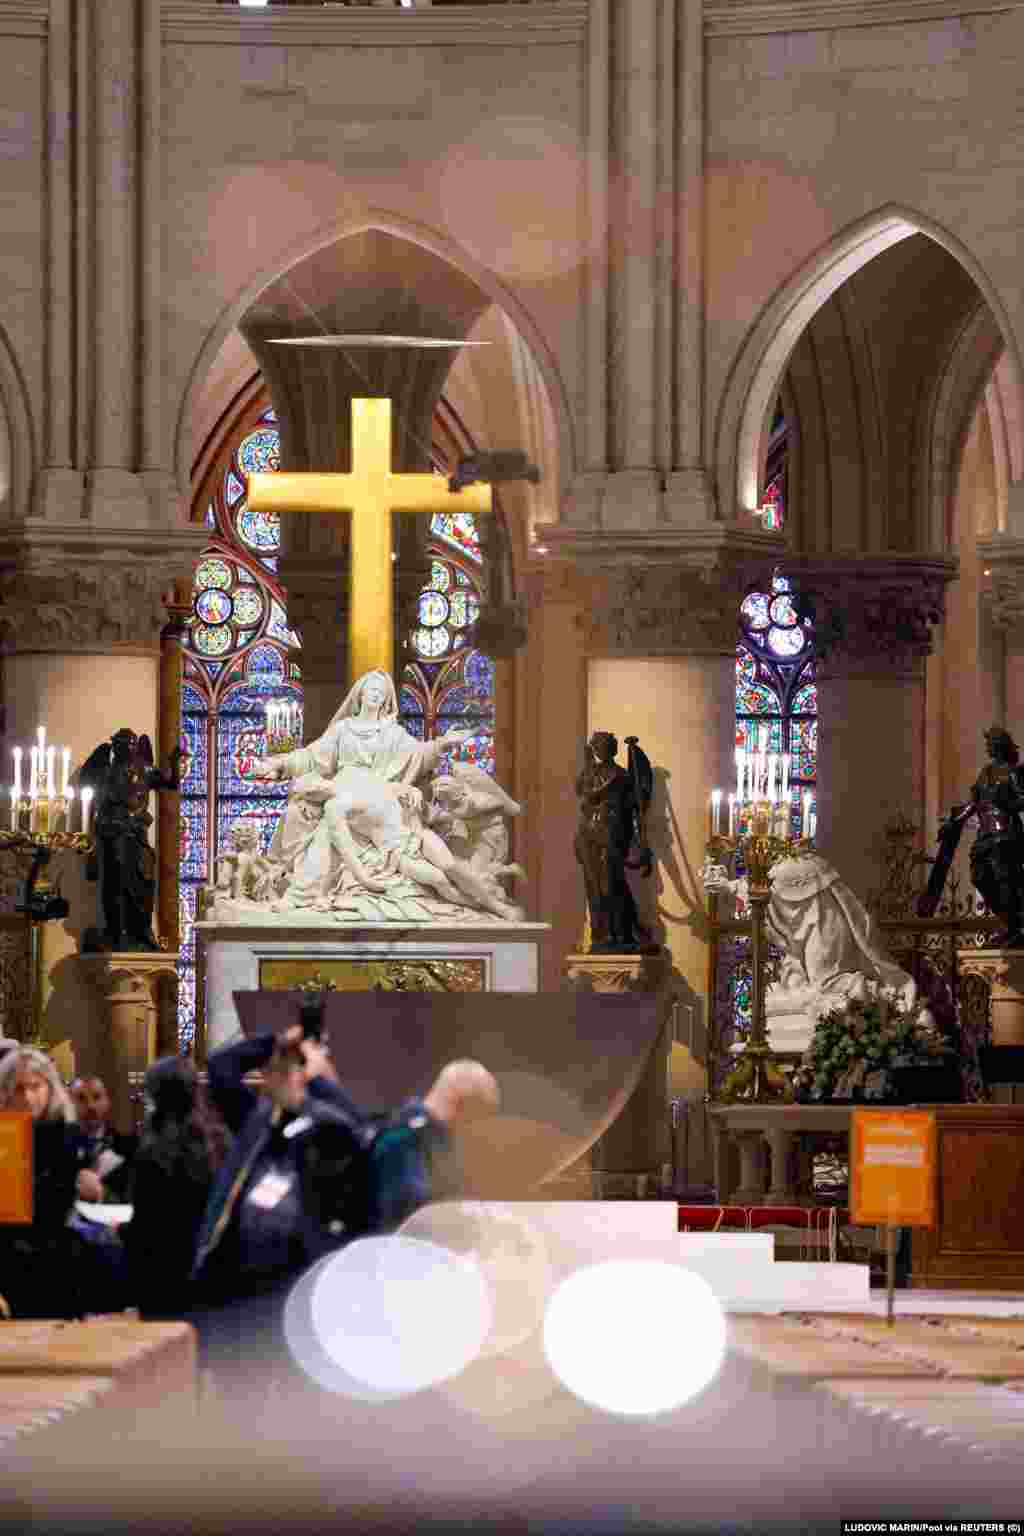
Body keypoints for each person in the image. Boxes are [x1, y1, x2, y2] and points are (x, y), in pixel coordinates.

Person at [189, 1026, 499, 1392]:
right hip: (231, 1292)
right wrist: (276, 1043)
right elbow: (222, 1067)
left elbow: (352, 1144)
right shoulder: (260, 1118)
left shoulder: (338, 1125)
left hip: (287, 1296)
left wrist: (315, 1089)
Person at [252, 670, 474, 908]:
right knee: (313, 818)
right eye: (372, 689)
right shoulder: (343, 729)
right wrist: (279, 763)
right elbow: (312, 757)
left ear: (387, 699)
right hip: (345, 788)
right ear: (360, 693)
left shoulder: (393, 733)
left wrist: (442, 744)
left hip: (379, 792)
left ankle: (303, 894)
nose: (376, 694)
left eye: (382, 692)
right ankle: (302, 893)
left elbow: (418, 754)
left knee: (333, 822)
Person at [119, 1056, 224, 1319]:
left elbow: (144, 1223)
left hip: (159, 1274)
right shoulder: (220, 1141)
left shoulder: (152, 1150)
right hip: (208, 1269)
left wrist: (121, 1231)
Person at [0, 1047, 87, 1318]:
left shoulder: (65, 1132)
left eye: (35, 1087)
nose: (27, 1096)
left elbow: (56, 1204)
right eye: (18, 1089)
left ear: (49, 1087)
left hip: (54, 1259)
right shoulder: (4, 1133)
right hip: (6, 1257)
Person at [79, 727, 182, 952]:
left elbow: (172, 784)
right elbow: (98, 806)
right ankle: (117, 933)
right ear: (116, 747)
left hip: (137, 835)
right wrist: (95, 839)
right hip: (114, 834)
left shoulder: (144, 769)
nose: (129, 748)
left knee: (143, 883)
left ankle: (142, 932)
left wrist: (174, 762)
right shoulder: (106, 772)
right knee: (116, 884)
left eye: (132, 744)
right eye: (124, 744)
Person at [574, 731, 647, 952]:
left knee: (611, 884)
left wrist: (641, 845)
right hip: (588, 835)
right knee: (593, 887)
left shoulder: (622, 776)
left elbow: (633, 813)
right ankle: (600, 935)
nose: (601, 750)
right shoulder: (588, 773)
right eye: (597, 746)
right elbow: (584, 795)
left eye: (605, 746)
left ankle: (621, 934)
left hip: (612, 835)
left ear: (613, 749)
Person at [70, 1075, 138, 1203]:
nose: (91, 1106)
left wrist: (103, 1194)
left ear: (107, 1102)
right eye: (81, 1098)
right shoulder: (55, 1149)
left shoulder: (131, 1146)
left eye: (97, 1097)